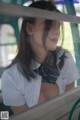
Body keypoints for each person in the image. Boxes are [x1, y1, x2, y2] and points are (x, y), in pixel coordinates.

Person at [1, 0, 79, 115]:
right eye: (48, 24)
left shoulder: (65, 59)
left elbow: (70, 108)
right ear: (29, 29)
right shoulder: (11, 77)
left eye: (58, 24)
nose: (56, 31)